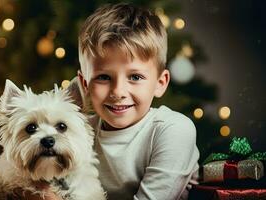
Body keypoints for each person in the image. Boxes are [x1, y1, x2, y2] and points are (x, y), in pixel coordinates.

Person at [27, 3, 199, 200]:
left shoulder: (173, 130)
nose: (118, 92)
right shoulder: (76, 132)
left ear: (160, 83)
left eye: (135, 77)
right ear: (85, 85)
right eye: (104, 77)